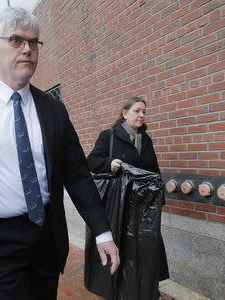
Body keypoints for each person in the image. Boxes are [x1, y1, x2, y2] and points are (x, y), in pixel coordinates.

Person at [0, 6, 119, 300]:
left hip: (46, 237)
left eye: (33, 42)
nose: (27, 49)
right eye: (16, 41)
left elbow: (78, 176)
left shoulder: (53, 109)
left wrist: (102, 231)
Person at [87, 96, 169, 298]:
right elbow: (91, 161)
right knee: (123, 245)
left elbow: (154, 170)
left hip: (144, 207)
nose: (142, 115)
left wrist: (160, 200)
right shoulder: (109, 136)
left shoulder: (146, 139)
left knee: (146, 248)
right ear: (124, 113)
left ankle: (147, 288)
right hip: (120, 205)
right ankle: (119, 290)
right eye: (137, 110)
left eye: (144, 111)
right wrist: (109, 164)